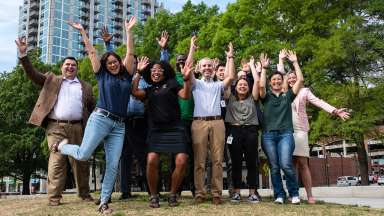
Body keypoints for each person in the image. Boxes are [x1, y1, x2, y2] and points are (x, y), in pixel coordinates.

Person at [53, 17, 137, 214]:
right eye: (109, 63)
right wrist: (83, 31)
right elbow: (92, 51)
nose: (113, 65)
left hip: (119, 125)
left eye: (115, 61)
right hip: (100, 119)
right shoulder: (102, 74)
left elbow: (131, 52)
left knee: (113, 164)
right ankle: (61, 147)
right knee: (83, 154)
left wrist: (129, 31)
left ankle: (104, 202)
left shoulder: (126, 75)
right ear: (105, 65)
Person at [15, 38, 95, 206]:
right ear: (62, 67)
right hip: (56, 126)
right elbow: (33, 74)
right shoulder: (52, 79)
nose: (70, 67)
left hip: (79, 127)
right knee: (57, 160)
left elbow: (90, 107)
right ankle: (54, 198)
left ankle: (84, 194)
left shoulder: (85, 86)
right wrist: (23, 56)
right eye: (67, 64)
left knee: (81, 161)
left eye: (73, 65)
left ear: (77, 69)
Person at [277, 49, 351, 204]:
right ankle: (293, 194)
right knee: (289, 165)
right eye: (289, 77)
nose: (291, 79)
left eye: (293, 77)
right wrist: (281, 60)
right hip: (285, 132)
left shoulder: (304, 91)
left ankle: (310, 195)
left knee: (303, 163)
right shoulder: (283, 92)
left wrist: (335, 111)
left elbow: (318, 101)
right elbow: (280, 75)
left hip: (300, 131)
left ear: (298, 79)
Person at [131, 50, 194, 207]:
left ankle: (173, 194)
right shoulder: (149, 89)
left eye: (159, 69)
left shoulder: (172, 84)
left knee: (181, 160)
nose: (156, 72)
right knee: (151, 160)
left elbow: (185, 96)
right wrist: (138, 72)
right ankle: (154, 196)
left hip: (175, 128)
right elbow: (133, 91)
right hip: (156, 130)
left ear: (164, 72)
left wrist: (186, 79)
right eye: (152, 70)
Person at [191, 42, 236, 205]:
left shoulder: (218, 85)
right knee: (200, 161)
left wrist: (230, 57)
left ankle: (217, 193)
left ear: (213, 68)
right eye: (204, 66)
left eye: (210, 65)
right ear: (200, 67)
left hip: (217, 122)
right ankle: (200, 193)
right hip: (199, 124)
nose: (207, 68)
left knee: (217, 160)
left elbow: (230, 77)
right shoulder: (196, 83)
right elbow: (188, 69)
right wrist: (192, 49)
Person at [259, 51, 303, 204]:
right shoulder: (265, 98)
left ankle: (294, 193)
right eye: (274, 79)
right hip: (268, 135)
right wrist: (264, 69)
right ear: (270, 82)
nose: (277, 81)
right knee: (274, 166)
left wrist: (295, 62)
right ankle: (279, 194)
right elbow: (260, 86)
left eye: (279, 79)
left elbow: (300, 80)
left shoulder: (288, 95)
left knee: (286, 164)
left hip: (285, 135)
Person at [158, 30, 196, 197]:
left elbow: (190, 62)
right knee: (175, 158)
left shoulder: (193, 79)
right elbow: (161, 68)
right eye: (179, 61)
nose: (182, 63)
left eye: (184, 61)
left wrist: (192, 46)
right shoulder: (171, 79)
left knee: (192, 157)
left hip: (191, 122)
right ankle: (176, 190)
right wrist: (164, 50)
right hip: (175, 123)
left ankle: (195, 189)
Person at [225, 56, 261, 203]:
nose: (242, 86)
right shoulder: (230, 98)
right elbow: (228, 78)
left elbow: (257, 81)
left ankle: (252, 193)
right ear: (236, 86)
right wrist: (230, 57)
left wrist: (252, 65)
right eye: (240, 84)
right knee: (236, 163)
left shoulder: (253, 98)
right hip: (235, 132)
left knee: (252, 162)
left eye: (245, 84)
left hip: (251, 131)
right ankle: (237, 192)